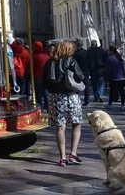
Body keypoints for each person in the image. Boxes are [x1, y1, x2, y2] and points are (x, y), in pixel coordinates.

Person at [45, 39, 85, 167]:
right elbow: (80, 77)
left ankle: (62, 157)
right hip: (71, 96)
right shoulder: (71, 61)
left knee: (60, 126)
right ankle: (73, 154)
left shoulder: (49, 63)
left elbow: (45, 81)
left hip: (55, 98)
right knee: (76, 124)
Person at [106, 45, 125, 110]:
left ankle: (110, 103)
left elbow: (108, 69)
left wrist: (107, 77)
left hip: (114, 76)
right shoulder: (119, 57)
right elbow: (124, 67)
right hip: (121, 76)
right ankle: (122, 104)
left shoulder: (109, 58)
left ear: (111, 51)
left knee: (112, 90)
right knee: (121, 91)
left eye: (109, 50)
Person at [32, 41, 50, 110]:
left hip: (38, 76)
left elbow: (32, 66)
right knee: (45, 92)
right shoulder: (45, 55)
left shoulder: (35, 55)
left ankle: (40, 108)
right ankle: (47, 105)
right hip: (45, 76)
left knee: (38, 93)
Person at [74, 39, 91, 106]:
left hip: (77, 71)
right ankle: (87, 101)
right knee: (86, 86)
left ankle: (77, 100)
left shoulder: (74, 53)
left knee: (76, 86)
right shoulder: (86, 52)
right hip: (85, 71)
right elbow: (89, 62)